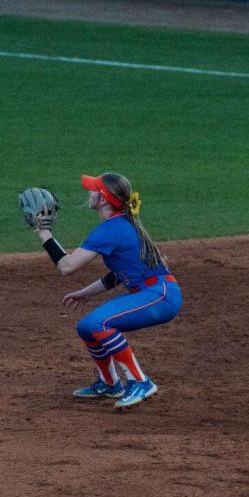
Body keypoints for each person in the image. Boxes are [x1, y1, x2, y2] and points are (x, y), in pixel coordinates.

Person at [34, 173, 182, 410]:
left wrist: (44, 232)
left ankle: (140, 381)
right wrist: (87, 292)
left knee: (99, 323)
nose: (89, 193)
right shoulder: (120, 223)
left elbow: (67, 266)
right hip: (151, 292)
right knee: (86, 327)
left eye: (93, 190)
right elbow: (120, 274)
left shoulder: (112, 229)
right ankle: (110, 383)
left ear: (103, 199)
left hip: (160, 295)